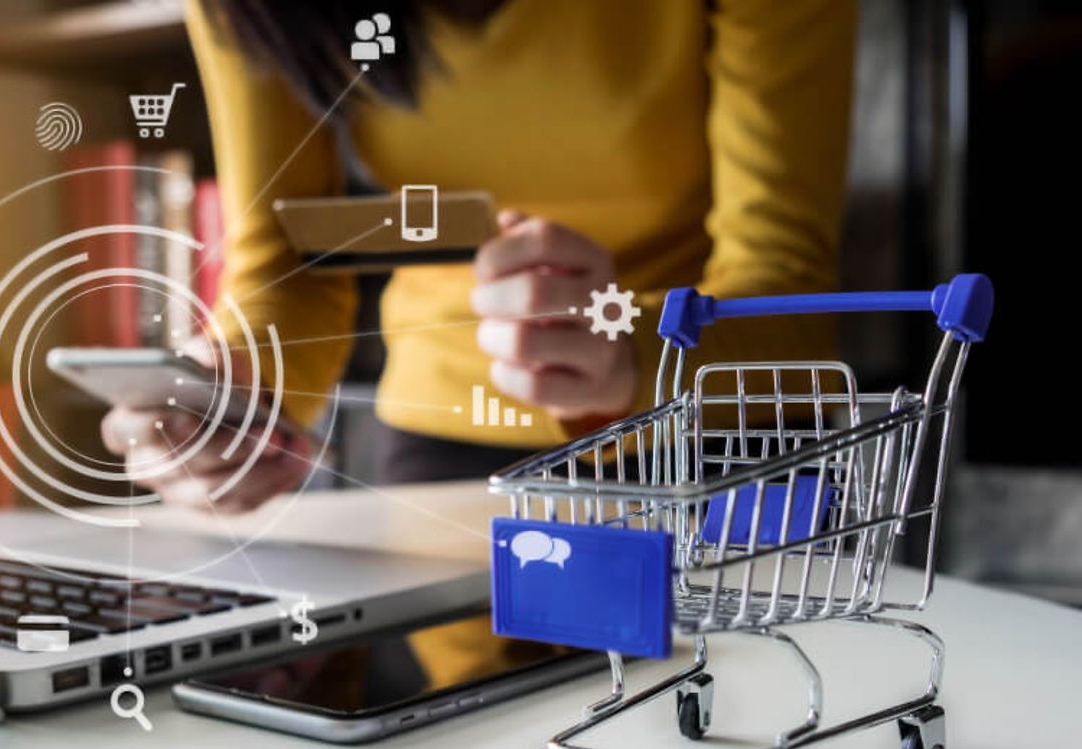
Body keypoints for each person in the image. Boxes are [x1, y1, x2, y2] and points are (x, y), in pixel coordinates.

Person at [103, 0, 855, 512]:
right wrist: (232, 395)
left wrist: (631, 352)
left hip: (717, 440)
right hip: (442, 452)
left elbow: (784, 279)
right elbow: (288, 264)